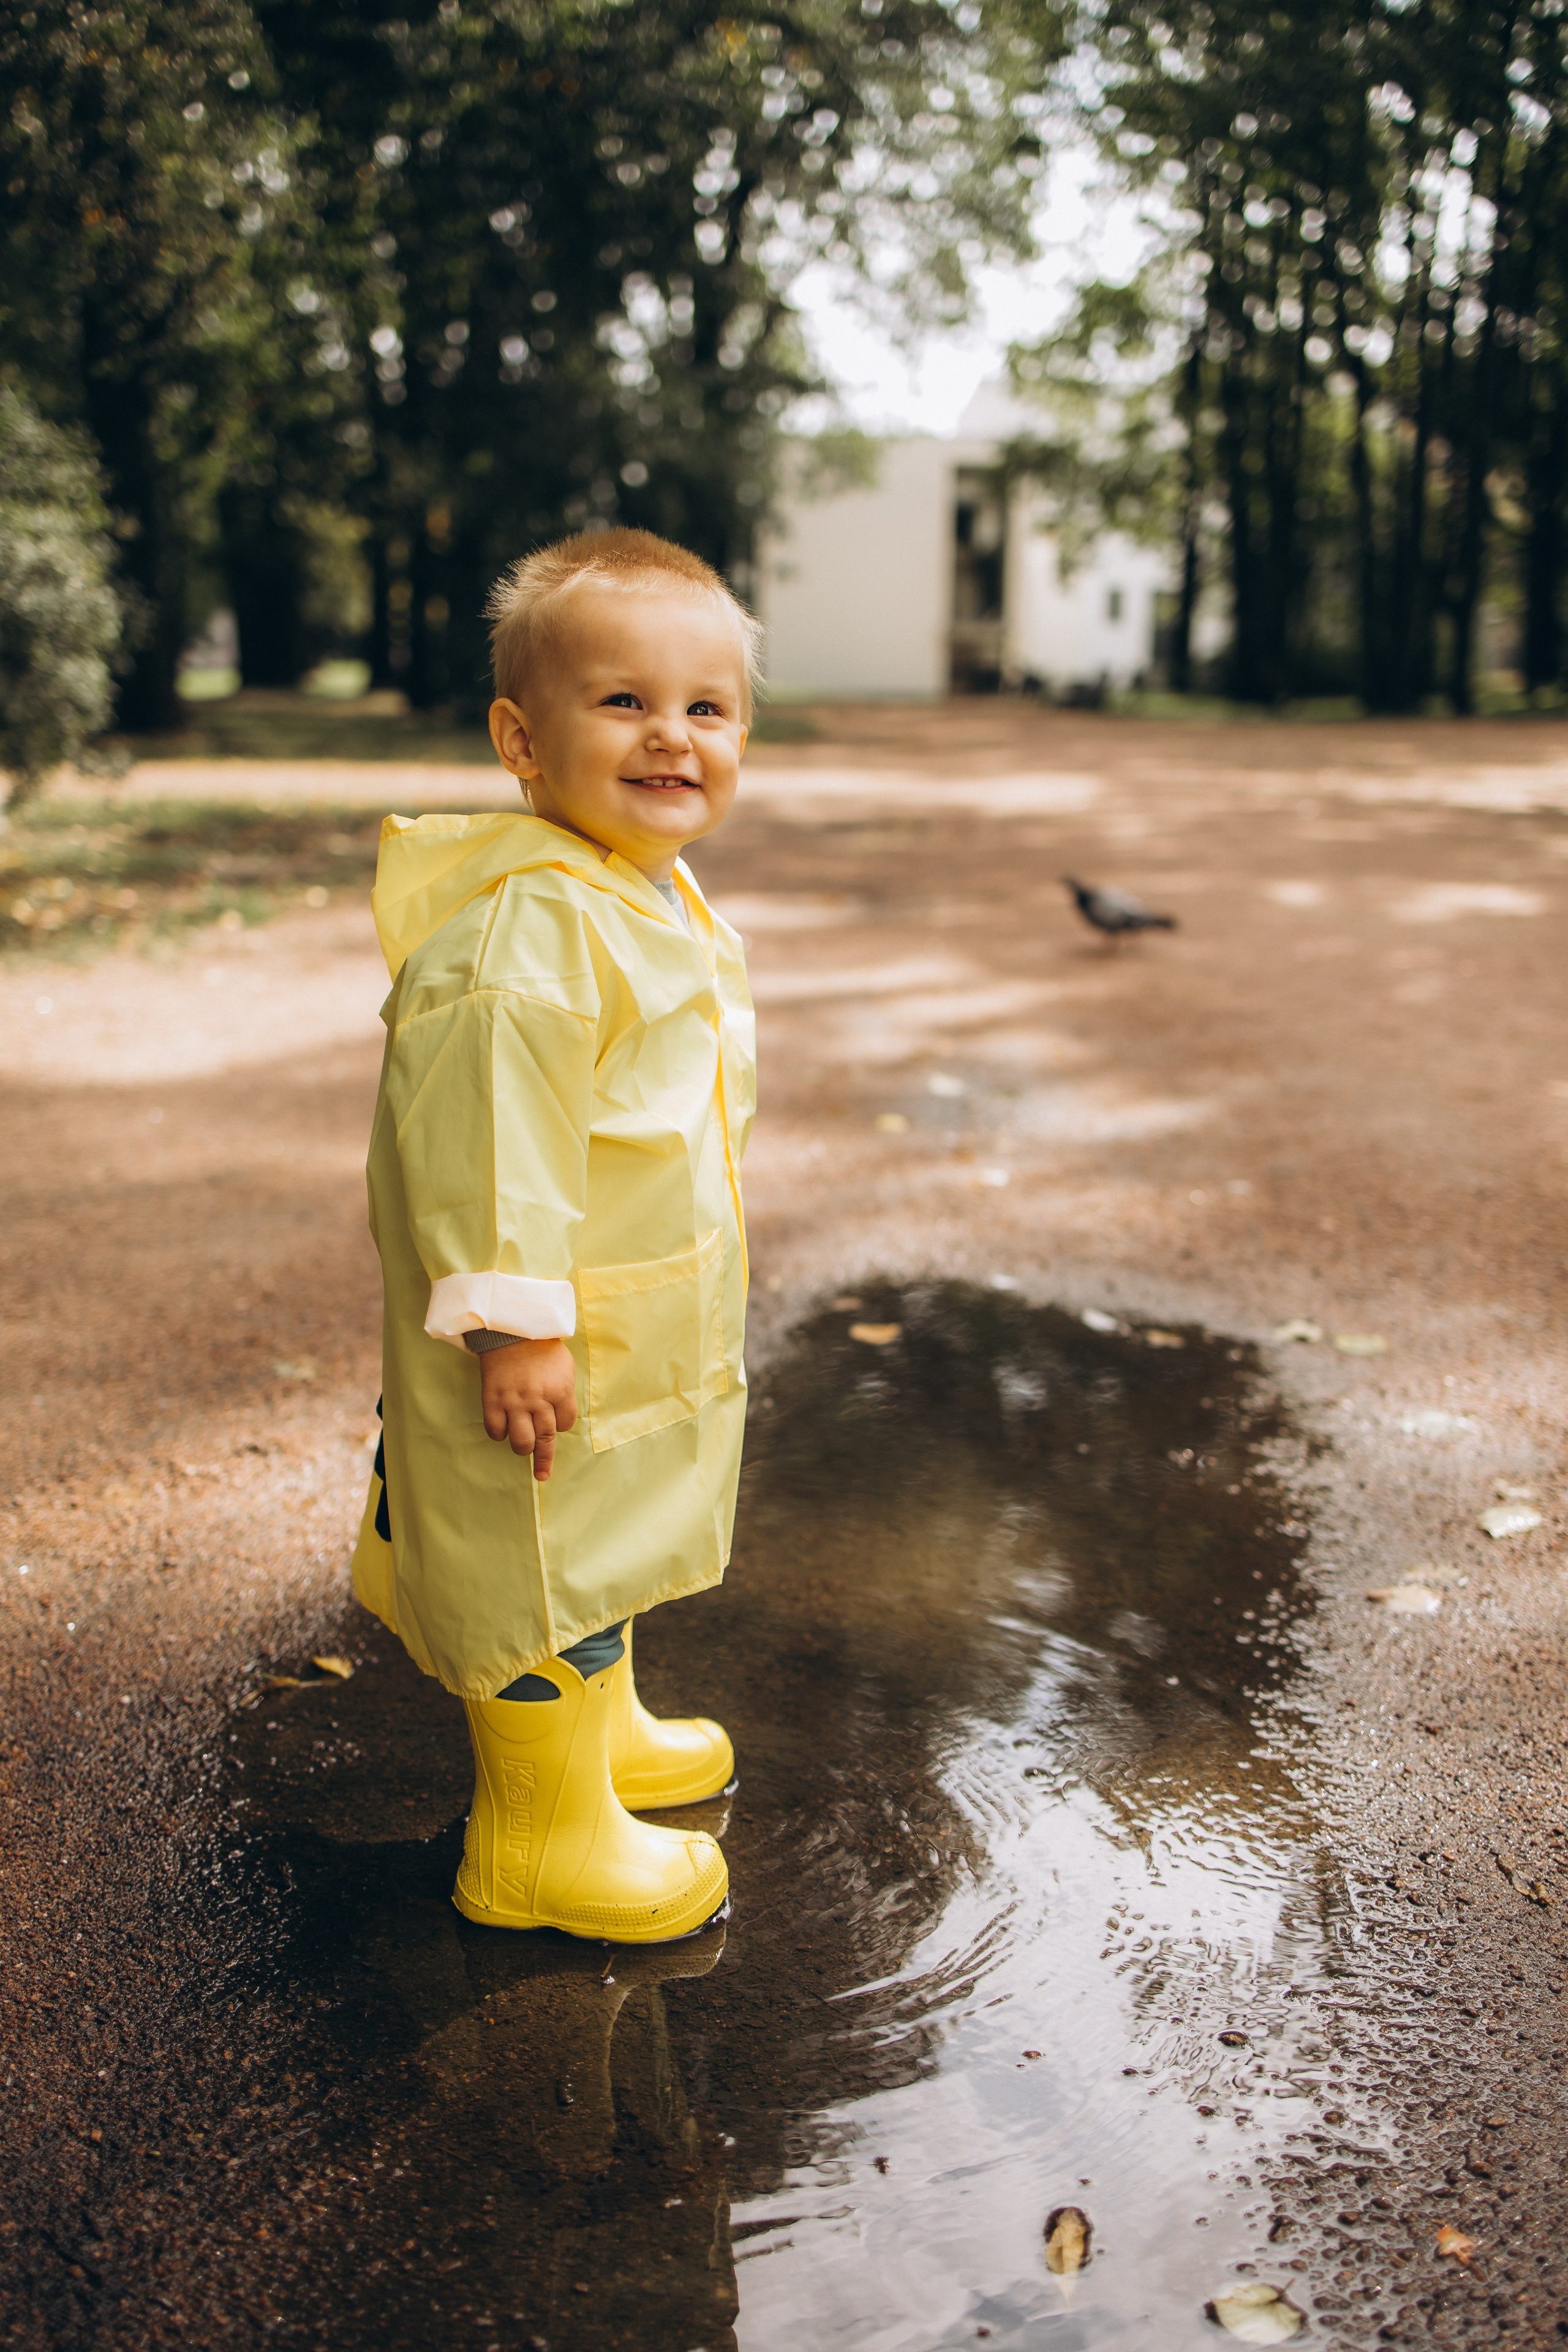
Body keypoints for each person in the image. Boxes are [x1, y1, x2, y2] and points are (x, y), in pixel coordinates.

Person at [350, 526, 757, 1945]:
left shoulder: (637, 888)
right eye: (624, 702)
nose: (672, 738)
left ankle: (604, 1732)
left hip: (627, 1317)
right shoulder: (525, 932)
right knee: (539, 1567)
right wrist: (518, 1322)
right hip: (546, 1337)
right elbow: (486, 1145)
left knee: (602, 1539)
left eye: (706, 708)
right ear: (521, 740)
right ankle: (533, 1838)